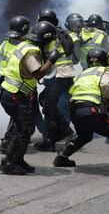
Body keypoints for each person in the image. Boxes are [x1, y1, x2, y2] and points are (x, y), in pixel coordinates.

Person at [53, 48, 109, 181]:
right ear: (105, 60)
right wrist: (107, 101)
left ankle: (61, 157)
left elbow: (76, 91)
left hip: (74, 109)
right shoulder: (103, 71)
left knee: (84, 134)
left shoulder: (83, 73)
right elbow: (106, 86)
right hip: (90, 109)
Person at [0, 21, 60, 175]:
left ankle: (17, 159)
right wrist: (51, 60)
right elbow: (38, 73)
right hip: (15, 94)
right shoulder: (31, 51)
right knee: (24, 129)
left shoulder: (24, 44)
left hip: (12, 92)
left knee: (25, 128)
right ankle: (9, 163)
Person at [0, 16, 44, 153]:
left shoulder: (5, 43)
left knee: (20, 114)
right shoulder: (24, 46)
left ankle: (9, 141)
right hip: (19, 81)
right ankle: (9, 143)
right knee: (23, 113)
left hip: (6, 79)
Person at [34, 9, 75, 152]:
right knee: (44, 99)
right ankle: (65, 128)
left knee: (49, 109)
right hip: (67, 75)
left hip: (57, 75)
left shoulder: (46, 33)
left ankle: (49, 142)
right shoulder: (62, 32)